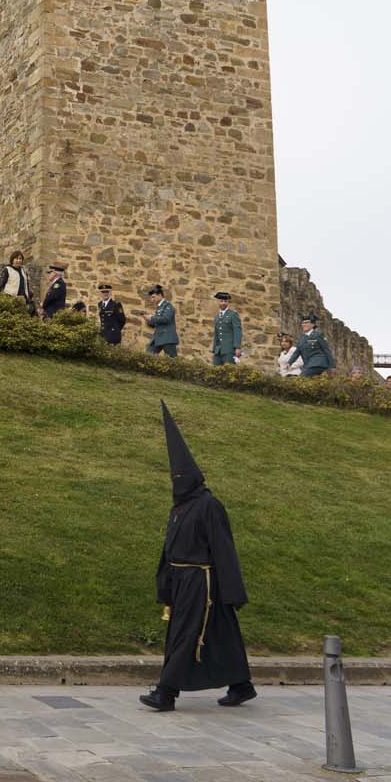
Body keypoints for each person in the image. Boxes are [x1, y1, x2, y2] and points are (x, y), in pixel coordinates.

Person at [140, 403, 255, 713]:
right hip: (182, 580)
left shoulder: (208, 506)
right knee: (221, 632)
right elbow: (169, 548)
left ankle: (166, 692)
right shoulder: (179, 508)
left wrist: (232, 590)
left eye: (181, 475)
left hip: (201, 581)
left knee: (186, 633)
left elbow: (223, 547)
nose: (176, 479)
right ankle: (241, 685)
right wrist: (165, 582)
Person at [143, 285, 179, 357]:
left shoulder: (168, 305)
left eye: (153, 297)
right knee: (147, 356)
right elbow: (156, 323)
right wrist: (148, 320)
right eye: (151, 298)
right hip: (158, 337)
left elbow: (166, 319)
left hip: (167, 337)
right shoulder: (160, 307)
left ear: (159, 295)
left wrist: (152, 317)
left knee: (172, 360)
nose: (152, 300)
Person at [210, 292, 243, 366]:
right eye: (221, 301)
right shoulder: (217, 316)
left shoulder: (233, 314)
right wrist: (214, 350)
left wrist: (237, 347)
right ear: (218, 302)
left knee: (228, 370)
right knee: (215, 370)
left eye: (225, 301)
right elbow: (216, 335)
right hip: (218, 350)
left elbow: (237, 331)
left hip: (229, 350)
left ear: (228, 302)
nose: (223, 303)